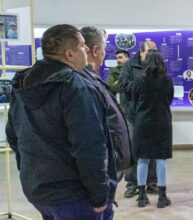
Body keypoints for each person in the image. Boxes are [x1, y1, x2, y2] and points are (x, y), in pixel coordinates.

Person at [5, 24, 114, 219]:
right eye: (82, 46)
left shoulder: (23, 82)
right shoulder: (77, 87)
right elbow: (89, 146)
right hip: (73, 194)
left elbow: (13, 136)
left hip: (37, 188)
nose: (87, 51)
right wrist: (100, 195)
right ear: (70, 54)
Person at [80, 26, 133, 195]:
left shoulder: (92, 80)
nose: (105, 52)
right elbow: (88, 134)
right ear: (95, 50)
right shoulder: (82, 84)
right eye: (104, 47)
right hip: (99, 173)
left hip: (108, 167)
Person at [132, 49, 174, 208]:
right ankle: (162, 198)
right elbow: (169, 99)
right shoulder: (167, 80)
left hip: (143, 122)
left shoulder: (139, 79)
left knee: (142, 159)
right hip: (162, 122)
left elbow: (135, 99)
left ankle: (142, 197)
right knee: (161, 159)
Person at [119, 40, 159, 198]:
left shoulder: (156, 66)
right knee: (133, 149)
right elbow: (122, 85)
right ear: (141, 52)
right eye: (150, 52)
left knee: (153, 149)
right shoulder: (129, 66)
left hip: (151, 114)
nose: (153, 55)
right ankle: (132, 184)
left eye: (155, 52)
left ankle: (152, 182)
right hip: (133, 115)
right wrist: (141, 86)